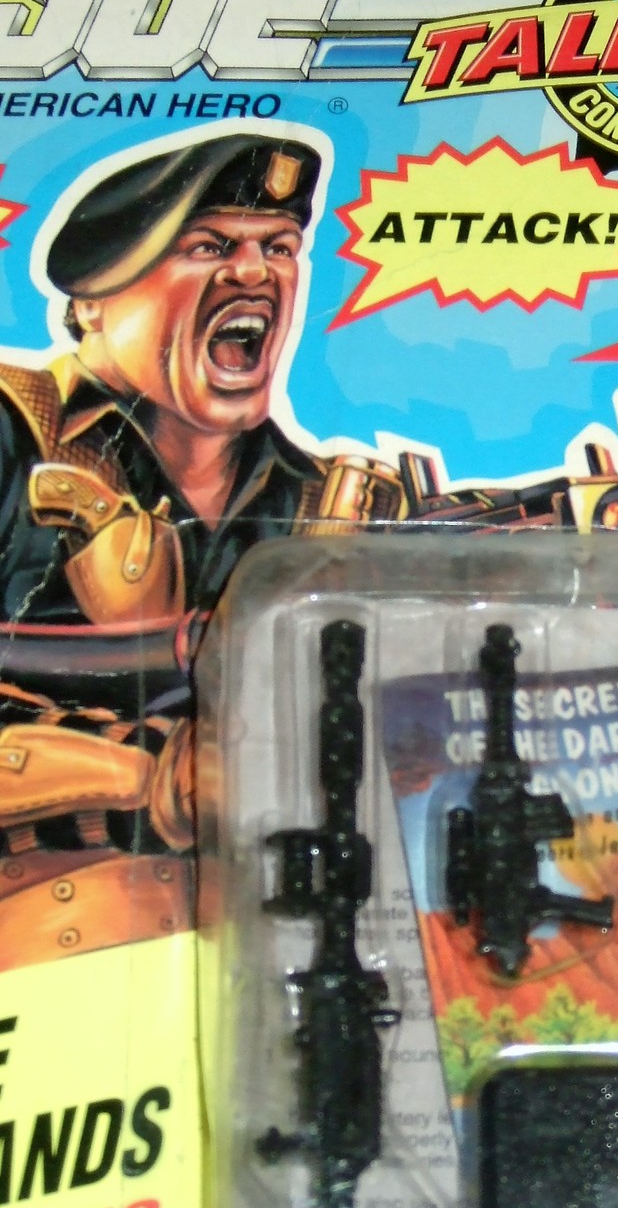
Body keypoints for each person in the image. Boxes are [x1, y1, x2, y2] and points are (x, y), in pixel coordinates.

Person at [0, 131, 400, 968]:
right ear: (92, 300)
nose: (256, 273)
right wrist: (157, 778)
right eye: (209, 247)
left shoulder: (319, 504)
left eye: (279, 248)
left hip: (264, 948)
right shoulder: (15, 438)